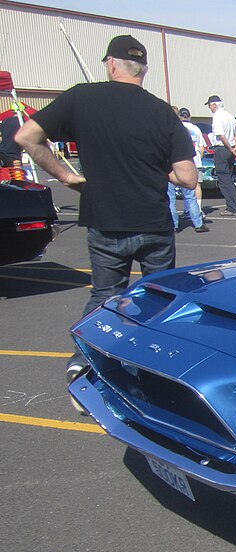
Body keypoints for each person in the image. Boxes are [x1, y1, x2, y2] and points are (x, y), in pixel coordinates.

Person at [15, 34, 197, 383]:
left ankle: (84, 359)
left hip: (106, 218)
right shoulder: (162, 111)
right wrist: (158, 168)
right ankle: (154, 368)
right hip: (154, 221)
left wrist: (65, 175)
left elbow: (26, 137)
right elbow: (187, 178)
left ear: (111, 64)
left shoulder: (82, 97)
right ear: (143, 69)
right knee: (158, 297)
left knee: (106, 295)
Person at [205, 94, 236, 215]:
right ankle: (233, 205)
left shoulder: (217, 116)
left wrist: (230, 148)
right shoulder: (230, 116)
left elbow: (221, 135)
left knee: (224, 179)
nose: (210, 109)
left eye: (210, 106)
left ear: (214, 105)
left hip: (222, 149)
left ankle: (232, 208)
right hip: (229, 149)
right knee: (228, 178)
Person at [179, 107, 206, 210]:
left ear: (180, 116)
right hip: (196, 159)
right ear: (189, 116)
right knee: (197, 185)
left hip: (183, 160)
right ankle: (198, 208)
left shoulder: (178, 127)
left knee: (184, 185)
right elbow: (202, 147)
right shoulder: (196, 129)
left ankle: (187, 209)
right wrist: (200, 158)